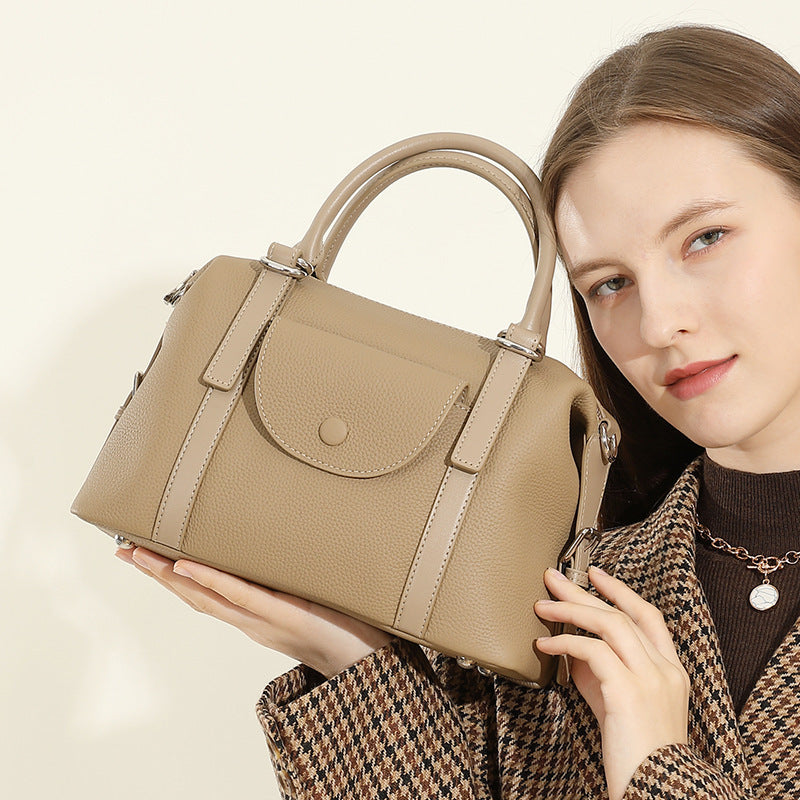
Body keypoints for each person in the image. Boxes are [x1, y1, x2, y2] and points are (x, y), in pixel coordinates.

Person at [114, 23, 800, 799]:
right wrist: (354, 663)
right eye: (609, 283)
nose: (658, 323)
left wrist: (656, 768)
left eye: (706, 238)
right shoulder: (562, 598)